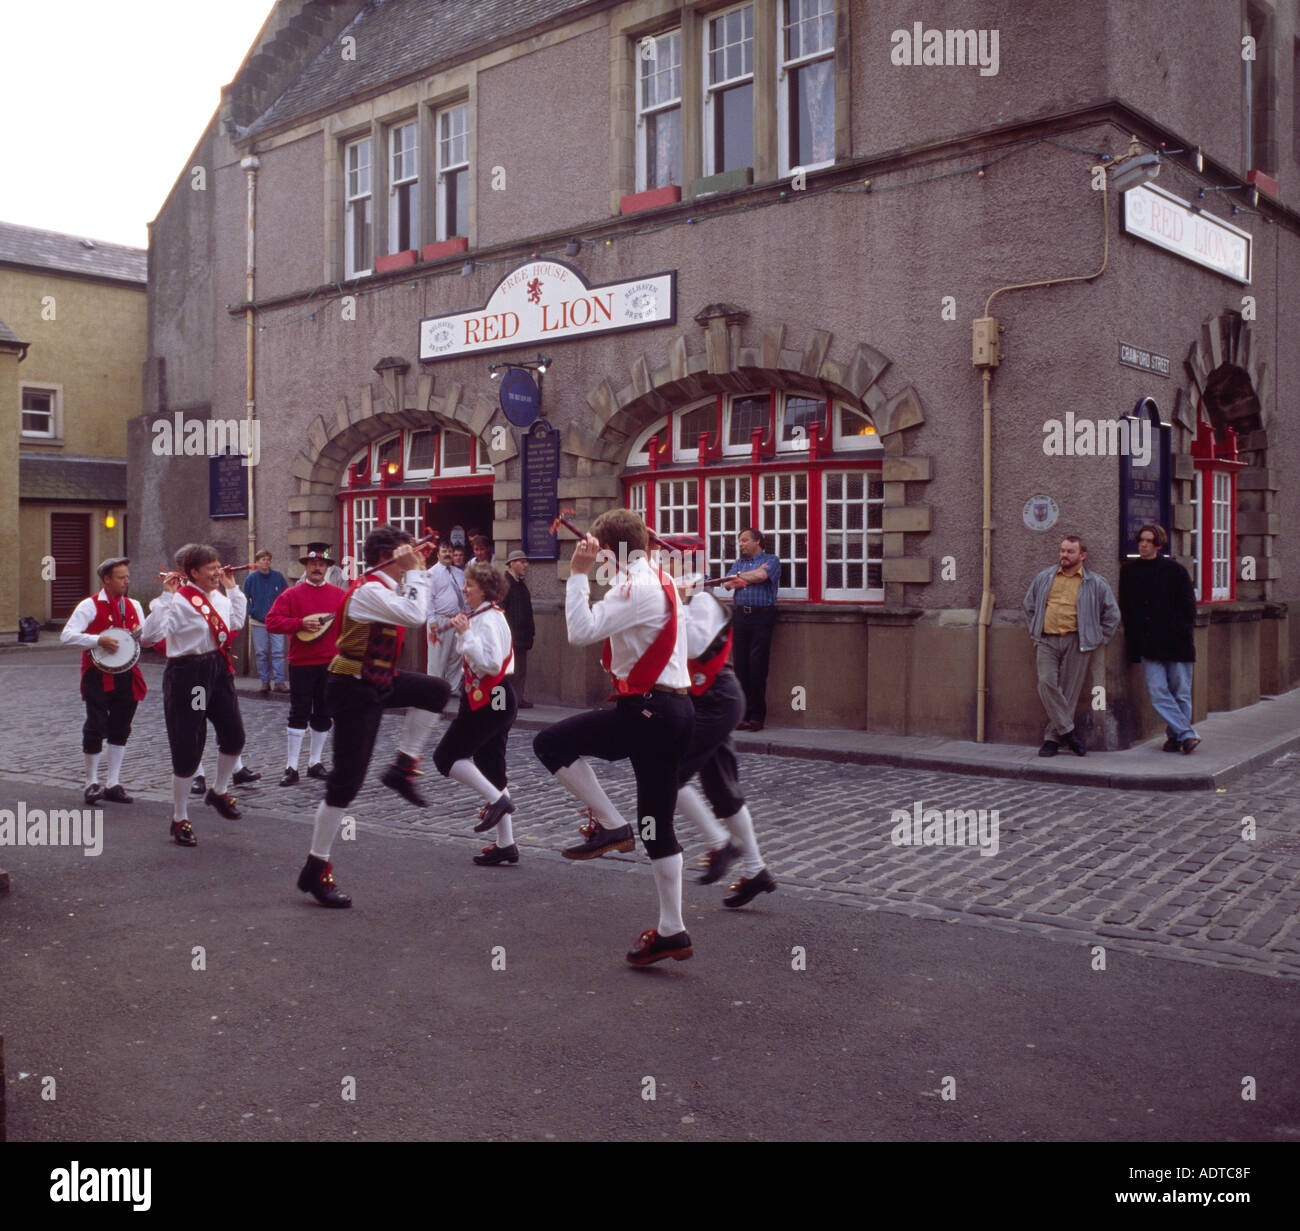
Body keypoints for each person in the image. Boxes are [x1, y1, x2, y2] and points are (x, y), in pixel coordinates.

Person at [532, 509, 696, 966]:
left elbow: (579, 632)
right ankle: (672, 930)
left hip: (647, 710)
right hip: (675, 709)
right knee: (657, 827)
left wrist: (578, 575)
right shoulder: (657, 578)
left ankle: (610, 825)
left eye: (599, 550)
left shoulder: (633, 586)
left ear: (608, 550)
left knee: (550, 744)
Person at [295, 525, 452, 908]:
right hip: (353, 686)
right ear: (388, 557)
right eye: (405, 551)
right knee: (346, 783)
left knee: (436, 690)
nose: (413, 556)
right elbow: (415, 614)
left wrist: (420, 566)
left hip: (376, 678)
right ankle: (316, 869)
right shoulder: (369, 591)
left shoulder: (386, 587)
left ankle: (402, 766)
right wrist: (416, 570)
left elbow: (419, 597)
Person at [658, 535, 776, 907]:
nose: (661, 568)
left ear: (685, 565)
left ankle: (720, 844)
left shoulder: (703, 601)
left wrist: (676, 600)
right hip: (703, 701)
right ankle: (756, 871)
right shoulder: (679, 598)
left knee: (665, 774)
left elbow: (691, 646)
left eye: (667, 562)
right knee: (722, 791)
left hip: (718, 701)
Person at [138, 543, 248, 846]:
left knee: (234, 735)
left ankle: (219, 791)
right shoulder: (179, 601)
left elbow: (235, 623)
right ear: (192, 573)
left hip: (217, 669)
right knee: (190, 742)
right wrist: (166, 597)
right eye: (211, 568)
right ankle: (180, 817)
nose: (217, 572)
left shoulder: (219, 598)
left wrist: (233, 590)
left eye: (218, 566)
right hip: (191, 676)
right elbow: (149, 637)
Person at [430, 561, 519, 866]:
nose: (464, 589)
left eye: (470, 585)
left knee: (446, 757)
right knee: (491, 765)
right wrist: (463, 631)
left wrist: (466, 635)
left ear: (485, 590)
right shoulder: (480, 615)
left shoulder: (490, 619)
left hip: (492, 698)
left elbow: (492, 665)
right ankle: (506, 844)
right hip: (485, 697)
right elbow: (467, 655)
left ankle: (498, 801)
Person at [1022, 534, 1121, 757]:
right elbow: (1028, 606)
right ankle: (1069, 732)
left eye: (1070, 551)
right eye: (1062, 550)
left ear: (1082, 556)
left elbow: (1112, 615)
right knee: (1046, 683)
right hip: (1046, 639)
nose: (1064, 555)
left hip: (1077, 641)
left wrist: (1098, 637)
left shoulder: (1095, 582)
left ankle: (1052, 740)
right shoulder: (1045, 577)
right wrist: (1034, 629)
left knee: (1068, 693)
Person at [60, 557, 147, 804]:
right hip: (96, 675)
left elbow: (144, 638)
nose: (126, 582)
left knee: (121, 727)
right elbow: (67, 636)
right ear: (106, 580)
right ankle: (91, 783)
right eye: (121, 577)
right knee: (96, 725)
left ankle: (113, 783)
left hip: (127, 675)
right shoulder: (89, 606)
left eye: (127, 577)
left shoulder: (134, 605)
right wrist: (98, 640)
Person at [265, 542, 347, 784]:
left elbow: (349, 625)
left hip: (330, 663)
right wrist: (299, 624)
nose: (317, 568)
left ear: (328, 568)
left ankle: (315, 762)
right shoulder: (291, 594)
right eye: (313, 564)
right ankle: (291, 767)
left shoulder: (339, 595)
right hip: (301, 662)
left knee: (324, 713)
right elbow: (272, 622)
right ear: (306, 566)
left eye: (322, 564)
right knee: (299, 712)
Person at [1119, 524, 1200, 754]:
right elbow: (1126, 607)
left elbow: (1188, 606)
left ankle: (1176, 737)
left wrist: (1181, 629)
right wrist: (1134, 639)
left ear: (1158, 545)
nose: (1143, 545)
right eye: (1141, 541)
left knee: (1181, 692)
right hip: (1147, 643)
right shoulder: (1129, 571)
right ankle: (1187, 734)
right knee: (1157, 692)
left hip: (1176, 642)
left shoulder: (1175, 570)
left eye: (1148, 541)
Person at [725, 528, 781, 732]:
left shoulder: (772, 560)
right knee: (740, 667)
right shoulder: (739, 563)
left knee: (757, 666)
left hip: (762, 616)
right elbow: (729, 584)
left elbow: (762, 575)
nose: (740, 544)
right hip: (740, 616)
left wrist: (744, 578)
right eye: (739, 541)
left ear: (757, 541)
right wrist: (745, 576)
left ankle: (757, 716)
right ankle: (742, 715)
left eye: (744, 540)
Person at [242, 550, 290, 693]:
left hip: (276, 621)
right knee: (261, 652)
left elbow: (286, 596)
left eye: (268, 559)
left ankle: (279, 682)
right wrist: (252, 611)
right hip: (258, 622)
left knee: (278, 652)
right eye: (263, 559)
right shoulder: (251, 579)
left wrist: (283, 612)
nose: (266, 562)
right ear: (257, 562)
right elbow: (244, 598)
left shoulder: (278, 577)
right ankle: (264, 682)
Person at [426, 540, 467, 691]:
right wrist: (431, 620)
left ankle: (451, 689)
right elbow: (428, 598)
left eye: (450, 551)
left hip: (457, 620)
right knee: (437, 660)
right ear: (438, 555)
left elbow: (464, 596)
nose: (448, 554)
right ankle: (434, 691)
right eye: (444, 551)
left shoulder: (459, 573)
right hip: (439, 621)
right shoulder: (431, 574)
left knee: (455, 658)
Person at [501, 550, 535, 708]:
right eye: (521, 562)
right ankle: (502, 703)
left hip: (522, 637)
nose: (525, 565)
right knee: (506, 673)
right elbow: (500, 612)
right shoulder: (505, 584)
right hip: (510, 637)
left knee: (520, 671)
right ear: (511, 564)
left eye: (526, 562)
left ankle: (517, 699)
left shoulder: (520, 584)